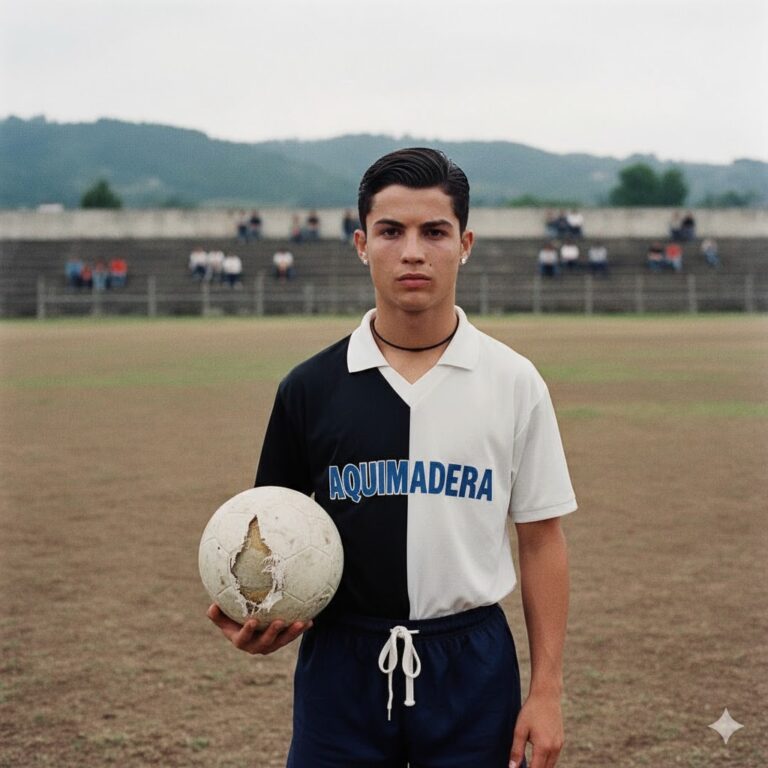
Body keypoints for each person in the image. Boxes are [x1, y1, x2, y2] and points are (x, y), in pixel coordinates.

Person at [207, 148, 576, 768]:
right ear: (360, 243)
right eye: (390, 231)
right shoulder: (309, 387)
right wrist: (258, 618)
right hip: (341, 665)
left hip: (471, 665)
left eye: (434, 231)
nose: (412, 251)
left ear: (465, 244)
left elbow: (542, 539)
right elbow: (269, 532)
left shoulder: (513, 381)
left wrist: (547, 689)